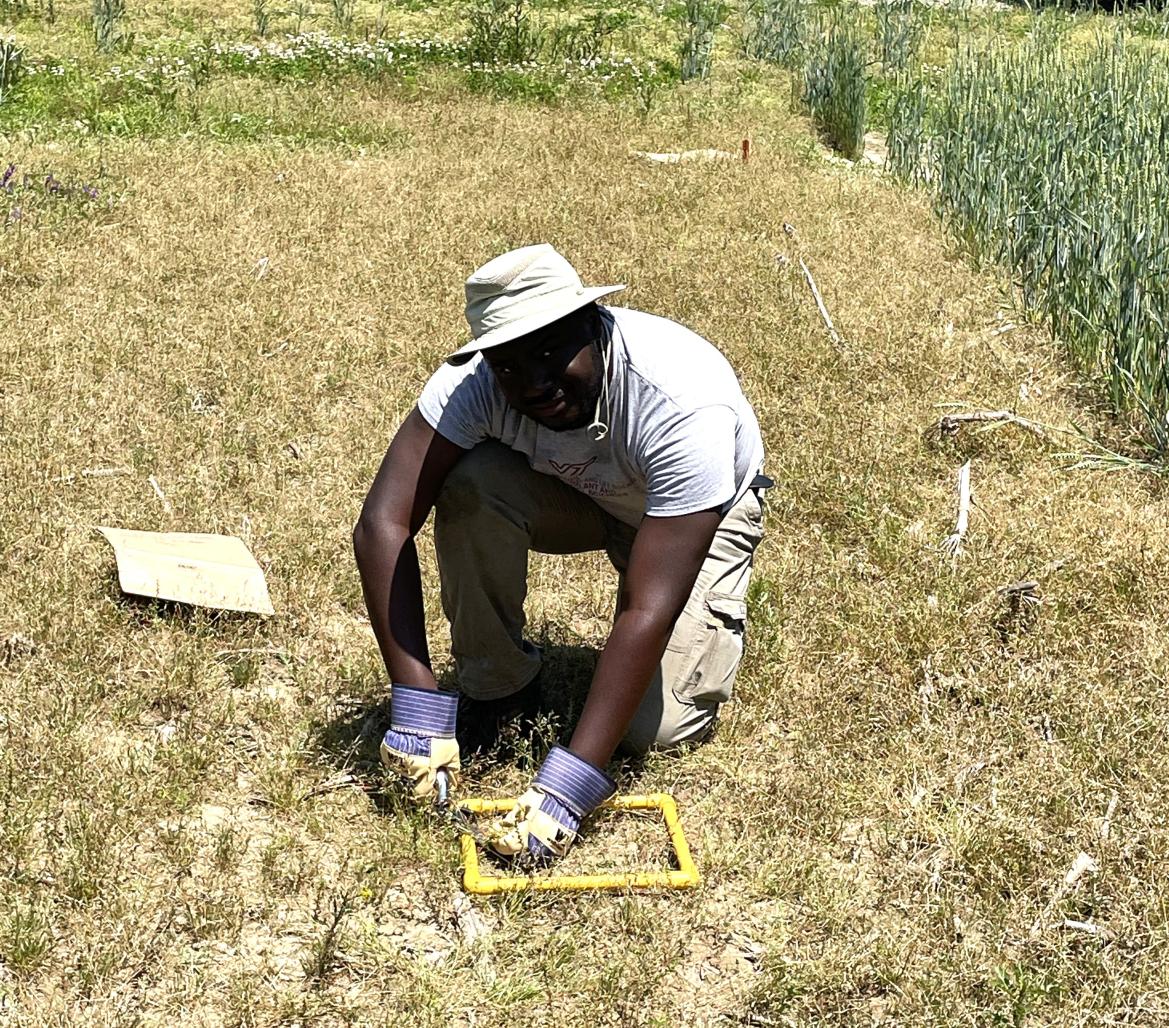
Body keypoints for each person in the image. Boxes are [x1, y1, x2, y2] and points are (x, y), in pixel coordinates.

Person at [353, 243, 768, 864]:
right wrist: (415, 703)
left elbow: (645, 608)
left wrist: (567, 788)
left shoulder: (681, 403)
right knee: (472, 482)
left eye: (551, 351)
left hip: (690, 518)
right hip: (581, 490)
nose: (534, 382)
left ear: (594, 325)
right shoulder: (472, 386)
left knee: (655, 732)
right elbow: (383, 523)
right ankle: (499, 687)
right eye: (510, 365)